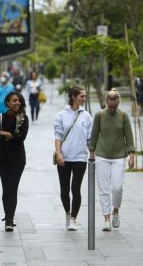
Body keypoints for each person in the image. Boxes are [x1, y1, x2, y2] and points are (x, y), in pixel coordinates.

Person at [88, 89, 135, 231]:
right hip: (102, 155)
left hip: (119, 156)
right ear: (106, 103)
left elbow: (129, 136)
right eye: (110, 106)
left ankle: (116, 210)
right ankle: (106, 219)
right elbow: (94, 135)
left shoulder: (123, 116)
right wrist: (91, 153)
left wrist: (132, 155)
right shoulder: (99, 115)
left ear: (118, 102)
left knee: (117, 187)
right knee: (103, 189)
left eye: (115, 106)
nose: (112, 109)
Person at [54, 85, 93, 231]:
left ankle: (74, 218)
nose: (84, 98)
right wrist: (58, 153)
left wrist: (92, 155)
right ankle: (67, 213)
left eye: (85, 95)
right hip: (64, 156)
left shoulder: (87, 116)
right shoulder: (61, 115)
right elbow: (58, 135)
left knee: (75, 188)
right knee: (64, 190)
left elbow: (90, 138)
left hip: (80, 158)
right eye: (82, 96)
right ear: (74, 97)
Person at [0, 91, 29, 232]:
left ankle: (9, 219)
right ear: (7, 103)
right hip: (4, 159)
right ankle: (7, 216)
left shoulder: (24, 118)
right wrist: (12, 135)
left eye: (19, 100)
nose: (17, 102)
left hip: (18, 159)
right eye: (14, 100)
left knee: (12, 188)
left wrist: (7, 134)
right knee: (5, 189)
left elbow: (22, 137)